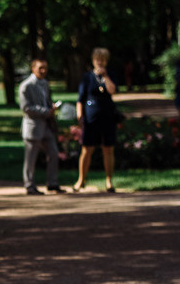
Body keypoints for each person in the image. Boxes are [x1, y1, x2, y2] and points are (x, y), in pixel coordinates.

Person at [74, 47, 119, 193]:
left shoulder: (110, 75)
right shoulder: (87, 77)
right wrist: (79, 115)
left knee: (108, 148)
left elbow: (112, 90)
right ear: (93, 60)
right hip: (91, 116)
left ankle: (109, 181)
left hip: (107, 115)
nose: (100, 62)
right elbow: (80, 98)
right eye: (97, 59)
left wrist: (105, 77)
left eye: (103, 59)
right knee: (87, 149)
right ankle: (81, 179)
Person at [18, 58, 64, 195]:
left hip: (46, 127)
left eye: (45, 68)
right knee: (31, 159)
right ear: (33, 68)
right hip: (33, 127)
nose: (43, 71)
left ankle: (52, 183)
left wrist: (52, 107)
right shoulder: (26, 86)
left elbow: (46, 101)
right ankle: (29, 185)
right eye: (40, 68)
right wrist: (46, 112)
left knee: (54, 153)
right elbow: (26, 108)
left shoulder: (45, 84)